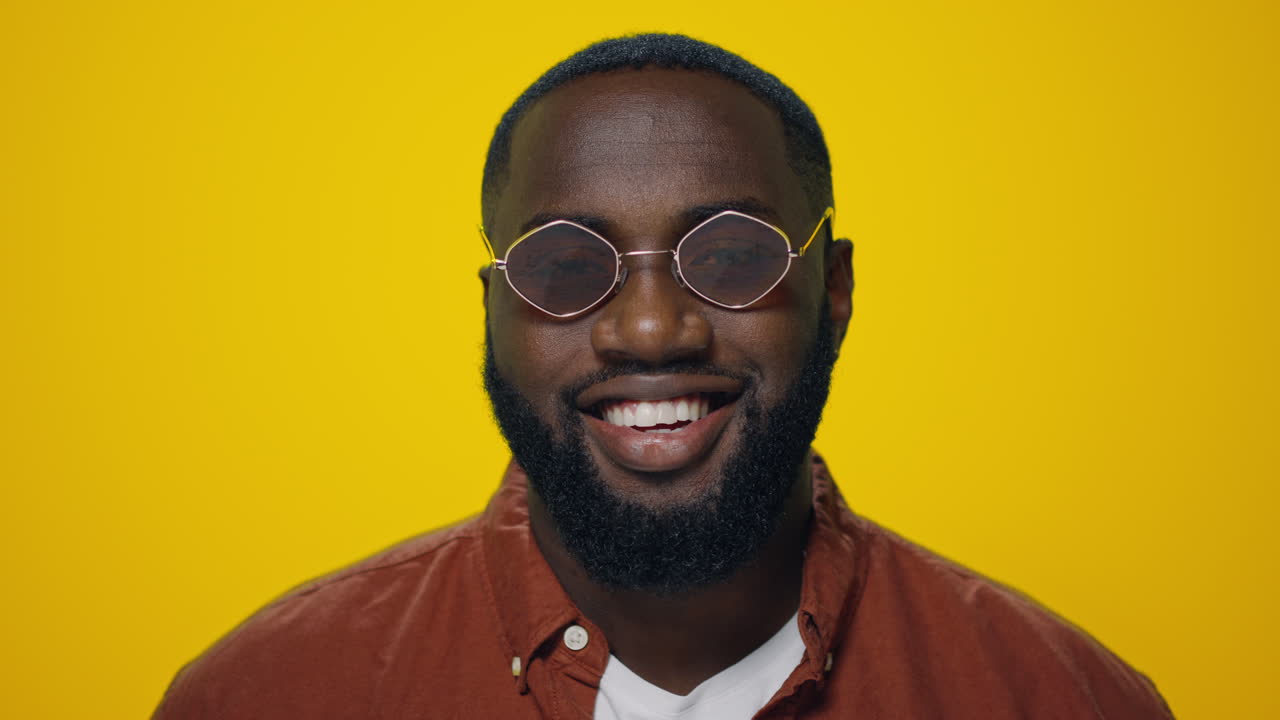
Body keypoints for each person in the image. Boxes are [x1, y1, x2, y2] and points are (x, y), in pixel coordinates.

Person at [153, 33, 1174, 719]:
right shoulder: (269, 693)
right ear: (493, 310)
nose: (648, 329)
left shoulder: (1058, 697)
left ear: (834, 287)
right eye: (564, 266)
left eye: (731, 255)